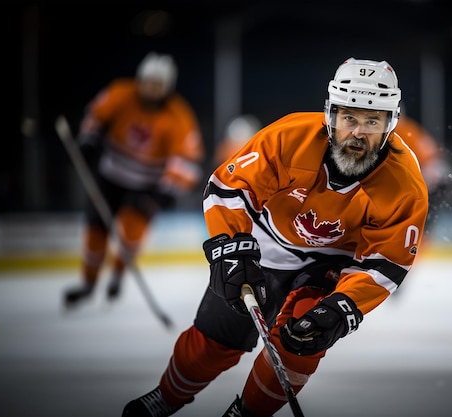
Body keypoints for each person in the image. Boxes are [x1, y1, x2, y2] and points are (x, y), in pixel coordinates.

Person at [121, 57, 428, 417]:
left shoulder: (406, 184)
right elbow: (231, 188)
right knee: (212, 344)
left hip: (331, 263)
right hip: (263, 245)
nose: (358, 133)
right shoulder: (290, 136)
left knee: (306, 336)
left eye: (372, 121)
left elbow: (385, 262)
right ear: (331, 116)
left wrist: (344, 305)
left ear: (390, 124)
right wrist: (231, 247)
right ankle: (167, 396)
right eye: (349, 118)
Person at [63, 52, 205, 307]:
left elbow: (186, 161)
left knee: (131, 234)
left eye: (157, 84)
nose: (151, 88)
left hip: (146, 186)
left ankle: (118, 273)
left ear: (167, 87)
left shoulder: (179, 116)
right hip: (110, 177)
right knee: (95, 233)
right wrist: (89, 138)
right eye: (147, 81)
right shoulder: (121, 92)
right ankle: (88, 282)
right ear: (139, 80)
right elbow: (96, 115)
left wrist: (164, 192)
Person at [394, 110, 451, 236]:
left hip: (430, 175)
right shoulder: (407, 128)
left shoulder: (402, 129)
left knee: (418, 219)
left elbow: (427, 157)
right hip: (433, 174)